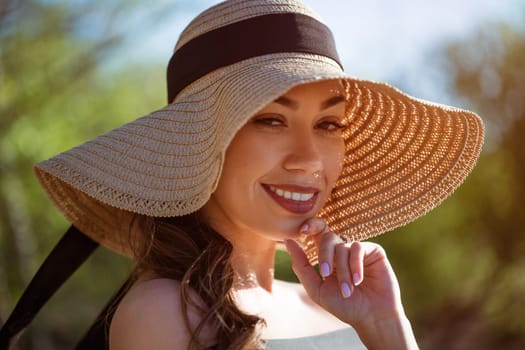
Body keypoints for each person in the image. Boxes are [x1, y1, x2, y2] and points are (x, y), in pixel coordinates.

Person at [27, 0, 484, 349]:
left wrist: (388, 329)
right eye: (270, 119)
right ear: (198, 141)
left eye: (328, 125)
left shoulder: (338, 307)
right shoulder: (167, 312)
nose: (308, 160)